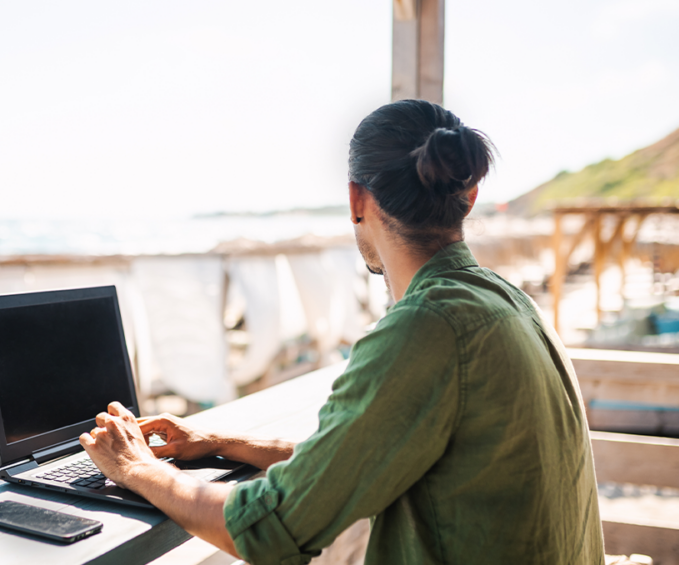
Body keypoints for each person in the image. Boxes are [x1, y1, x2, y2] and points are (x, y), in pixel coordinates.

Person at [80, 100, 605, 564]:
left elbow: (270, 531)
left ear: (357, 200)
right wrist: (218, 441)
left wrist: (136, 468)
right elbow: (354, 460)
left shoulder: (425, 329)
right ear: (468, 197)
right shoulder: (509, 303)